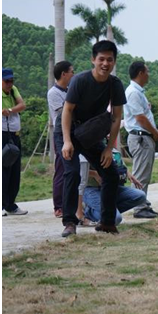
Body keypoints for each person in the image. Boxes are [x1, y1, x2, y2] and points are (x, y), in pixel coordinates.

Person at [55, 40, 127, 237]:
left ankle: (107, 222)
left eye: (109, 60)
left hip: (90, 134)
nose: (105, 63)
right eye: (101, 59)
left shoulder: (115, 85)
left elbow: (117, 117)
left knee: (110, 173)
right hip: (67, 131)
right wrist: (68, 141)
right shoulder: (80, 80)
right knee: (72, 173)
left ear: (114, 62)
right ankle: (70, 222)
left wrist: (108, 148)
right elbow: (67, 110)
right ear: (93, 60)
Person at [124, 61, 158, 219]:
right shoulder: (133, 92)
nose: (149, 74)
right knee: (140, 174)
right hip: (140, 138)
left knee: (144, 174)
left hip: (143, 138)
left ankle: (143, 204)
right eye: (147, 71)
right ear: (140, 73)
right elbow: (140, 118)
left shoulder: (138, 92)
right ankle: (139, 207)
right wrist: (154, 132)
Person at [79, 149, 147, 226]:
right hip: (92, 188)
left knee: (140, 196)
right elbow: (76, 169)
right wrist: (94, 174)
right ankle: (89, 212)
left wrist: (128, 174)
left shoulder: (114, 151)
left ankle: (108, 210)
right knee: (115, 219)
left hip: (112, 187)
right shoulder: (85, 148)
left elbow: (121, 166)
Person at [47, 61, 75, 218]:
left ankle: (70, 204)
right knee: (62, 169)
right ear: (64, 74)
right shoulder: (54, 93)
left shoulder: (70, 90)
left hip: (74, 132)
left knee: (73, 170)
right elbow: (66, 110)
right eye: (71, 71)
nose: (73, 74)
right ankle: (58, 205)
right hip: (61, 134)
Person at [2, 68, 27, 216]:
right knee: (3, 170)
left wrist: (10, 109)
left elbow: (22, 105)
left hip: (14, 135)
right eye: (6, 81)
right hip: (2, 135)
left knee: (14, 171)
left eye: (11, 80)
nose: (9, 84)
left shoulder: (13, 89)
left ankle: (10, 205)